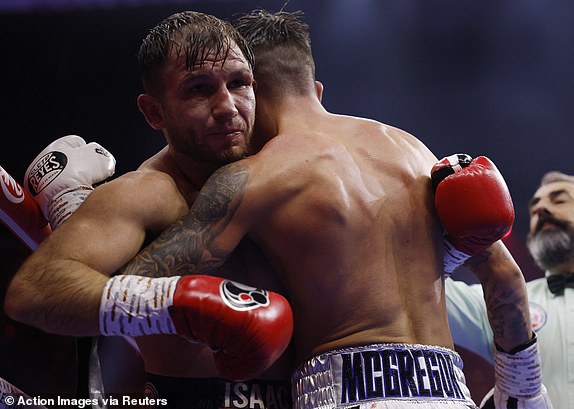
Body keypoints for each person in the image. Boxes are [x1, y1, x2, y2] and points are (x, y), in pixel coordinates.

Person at [112, 10, 548, 408]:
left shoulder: (259, 175)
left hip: (346, 394)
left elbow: (132, 290)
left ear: (252, 93)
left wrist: (69, 207)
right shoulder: (416, 152)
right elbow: (507, 280)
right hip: (450, 393)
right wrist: (522, 393)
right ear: (315, 89)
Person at [4, 11, 294, 409]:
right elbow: (34, 293)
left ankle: (71, 206)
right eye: (199, 89)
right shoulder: (149, 194)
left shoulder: (286, 167)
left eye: (239, 83)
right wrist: (177, 304)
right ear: (154, 113)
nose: (227, 107)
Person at [446, 170, 574, 408]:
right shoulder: (507, 300)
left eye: (559, 200)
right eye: (535, 207)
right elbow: (429, 292)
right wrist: (440, 216)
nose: (541, 209)